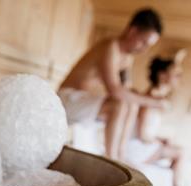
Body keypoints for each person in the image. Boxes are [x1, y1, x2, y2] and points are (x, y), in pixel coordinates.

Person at [58, 8, 168, 160]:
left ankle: (120, 155)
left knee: (130, 104)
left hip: (85, 104)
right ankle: (111, 158)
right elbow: (115, 91)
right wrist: (152, 102)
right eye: (144, 42)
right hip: (67, 100)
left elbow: (127, 91)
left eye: (148, 45)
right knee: (119, 104)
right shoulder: (110, 47)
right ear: (133, 31)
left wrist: (145, 99)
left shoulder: (127, 58)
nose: (144, 49)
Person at [126, 55, 184, 168]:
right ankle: (177, 185)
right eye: (176, 75)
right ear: (162, 76)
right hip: (136, 149)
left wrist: (160, 140)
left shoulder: (156, 99)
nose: (180, 78)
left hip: (142, 145)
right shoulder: (150, 100)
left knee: (177, 150)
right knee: (181, 153)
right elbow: (142, 135)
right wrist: (160, 142)